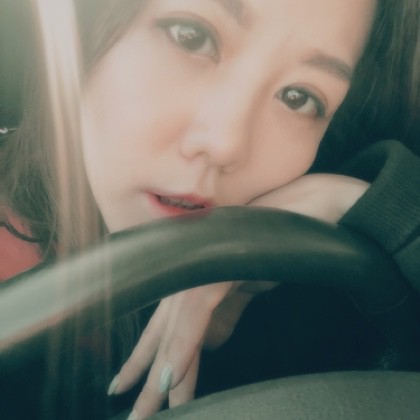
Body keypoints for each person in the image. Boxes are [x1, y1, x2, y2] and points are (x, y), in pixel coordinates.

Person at [0, 0, 419, 419]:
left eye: (299, 97)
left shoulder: (301, 293)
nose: (225, 143)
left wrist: (359, 204)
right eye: (191, 36)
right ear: (83, 26)